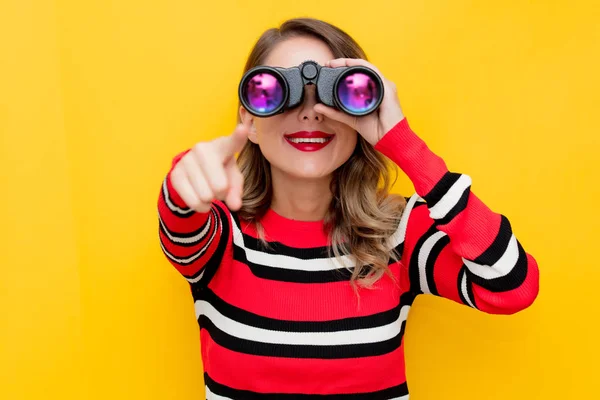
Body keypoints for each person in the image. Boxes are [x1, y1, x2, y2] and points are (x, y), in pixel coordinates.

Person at [157, 17, 539, 399]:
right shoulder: (222, 236)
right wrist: (184, 181)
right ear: (250, 120)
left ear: (363, 112)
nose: (310, 113)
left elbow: (513, 287)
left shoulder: (398, 232)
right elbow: (181, 214)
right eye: (276, 91)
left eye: (332, 93)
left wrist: (402, 142)